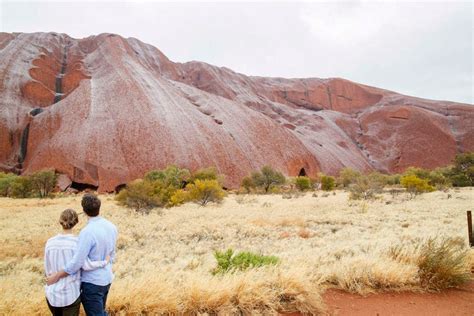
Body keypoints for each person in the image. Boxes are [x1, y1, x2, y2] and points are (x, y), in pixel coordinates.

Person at [47, 193, 118, 316]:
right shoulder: (111, 226)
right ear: (99, 207)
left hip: (92, 283)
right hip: (106, 278)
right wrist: (106, 263)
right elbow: (112, 252)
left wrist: (57, 276)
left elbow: (78, 263)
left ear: (84, 211)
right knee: (100, 312)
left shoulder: (87, 232)